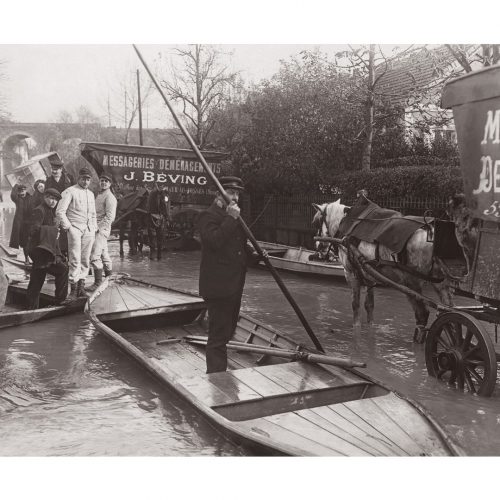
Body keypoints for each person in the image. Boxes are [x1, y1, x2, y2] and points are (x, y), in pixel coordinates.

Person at [197, 176, 264, 373]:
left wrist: (256, 256)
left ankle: (221, 375)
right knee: (218, 337)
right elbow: (215, 241)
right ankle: (216, 380)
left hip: (235, 285)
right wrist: (230, 218)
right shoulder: (207, 216)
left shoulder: (236, 217)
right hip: (218, 287)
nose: (235, 197)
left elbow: (239, 249)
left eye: (237, 193)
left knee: (227, 333)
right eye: (231, 192)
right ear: (219, 194)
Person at [56, 167, 97, 299]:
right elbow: (60, 211)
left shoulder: (91, 194)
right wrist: (69, 227)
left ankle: (81, 288)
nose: (85, 182)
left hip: (89, 229)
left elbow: (94, 214)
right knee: (75, 259)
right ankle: (73, 290)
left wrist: (94, 227)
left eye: (88, 179)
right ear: (78, 178)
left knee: (85, 259)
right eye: (83, 179)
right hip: (75, 228)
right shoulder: (69, 191)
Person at [26, 188, 69, 309]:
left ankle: (31, 307)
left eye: (55, 200)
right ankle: (59, 301)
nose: (53, 201)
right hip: (40, 251)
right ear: (45, 197)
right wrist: (54, 230)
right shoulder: (39, 211)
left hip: (44, 250)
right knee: (62, 270)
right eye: (51, 198)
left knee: (37, 278)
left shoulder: (49, 211)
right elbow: (32, 230)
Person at [89, 173, 117, 290]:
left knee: (95, 255)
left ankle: (97, 283)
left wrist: (97, 228)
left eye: (106, 181)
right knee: (104, 254)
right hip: (98, 228)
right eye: (102, 180)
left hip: (101, 229)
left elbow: (110, 217)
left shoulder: (110, 197)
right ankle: (109, 279)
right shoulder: (100, 195)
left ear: (110, 184)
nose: (103, 183)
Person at [145, 182, 169, 260]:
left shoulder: (163, 194)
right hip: (152, 216)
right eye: (161, 186)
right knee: (152, 236)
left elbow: (165, 205)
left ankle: (159, 255)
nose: (162, 187)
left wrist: (166, 216)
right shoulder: (154, 193)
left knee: (160, 236)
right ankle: (153, 254)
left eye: (163, 186)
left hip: (160, 217)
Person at [9, 183, 32, 264]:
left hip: (30, 224)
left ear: (26, 191)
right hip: (21, 225)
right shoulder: (17, 199)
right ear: (18, 192)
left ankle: (34, 258)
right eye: (20, 191)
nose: (22, 193)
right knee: (25, 243)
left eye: (23, 191)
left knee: (31, 241)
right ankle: (27, 259)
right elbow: (12, 194)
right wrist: (16, 185)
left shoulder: (31, 198)